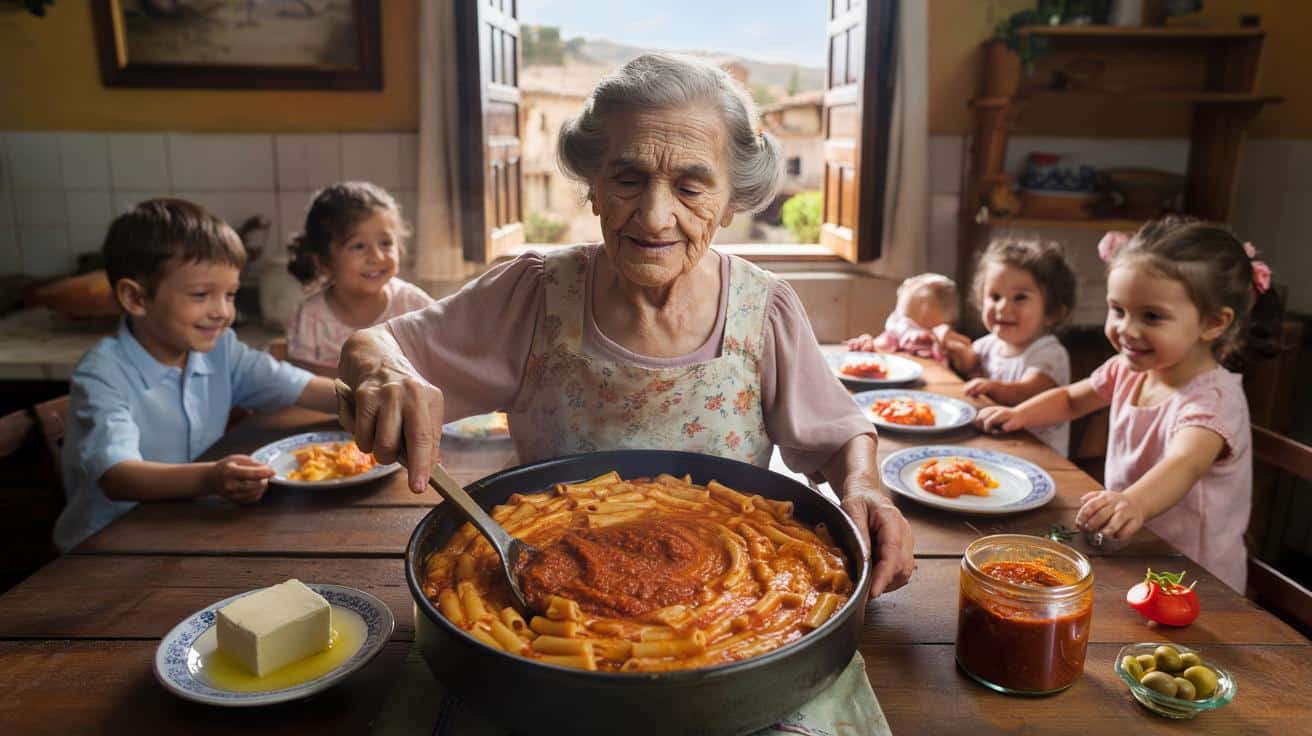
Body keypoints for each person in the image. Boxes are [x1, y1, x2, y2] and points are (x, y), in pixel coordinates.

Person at [338, 53, 915, 600]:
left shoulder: (763, 311)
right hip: (545, 578)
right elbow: (374, 344)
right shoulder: (533, 294)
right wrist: (383, 371)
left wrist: (862, 486)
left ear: (732, 200)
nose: (655, 215)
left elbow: (839, 435)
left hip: (734, 601)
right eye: (628, 178)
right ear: (592, 185)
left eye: (690, 187)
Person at [976, 218, 1279, 592]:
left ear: (1213, 324)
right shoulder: (1130, 369)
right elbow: (1072, 400)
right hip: (1133, 548)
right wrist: (1019, 414)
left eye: (1151, 316)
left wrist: (1133, 502)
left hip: (1194, 579)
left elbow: (1184, 462)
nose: (1127, 330)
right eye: (1118, 310)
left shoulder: (1212, 400)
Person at [52, 199, 338, 552]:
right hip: (105, 550)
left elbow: (298, 386)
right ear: (135, 298)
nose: (222, 312)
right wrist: (211, 477)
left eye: (230, 295)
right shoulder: (103, 374)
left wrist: (372, 401)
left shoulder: (221, 351)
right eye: (201, 295)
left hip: (180, 527)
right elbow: (118, 476)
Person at [941, 239, 1077, 455]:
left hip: (1041, 459)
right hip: (996, 447)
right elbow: (968, 360)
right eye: (995, 297)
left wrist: (994, 388)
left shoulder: (1049, 352)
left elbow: (1029, 392)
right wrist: (947, 341)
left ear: (1052, 312)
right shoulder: (990, 344)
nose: (1003, 307)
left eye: (1020, 298)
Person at [285, 182, 433, 376]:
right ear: (324, 262)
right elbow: (304, 385)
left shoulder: (413, 304)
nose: (377, 257)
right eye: (358, 246)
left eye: (385, 243)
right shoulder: (311, 320)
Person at [846, 273, 958, 362]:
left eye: (914, 328)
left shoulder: (943, 346)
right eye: (898, 319)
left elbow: (964, 360)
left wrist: (939, 344)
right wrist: (866, 344)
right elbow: (877, 349)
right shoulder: (894, 338)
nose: (902, 330)